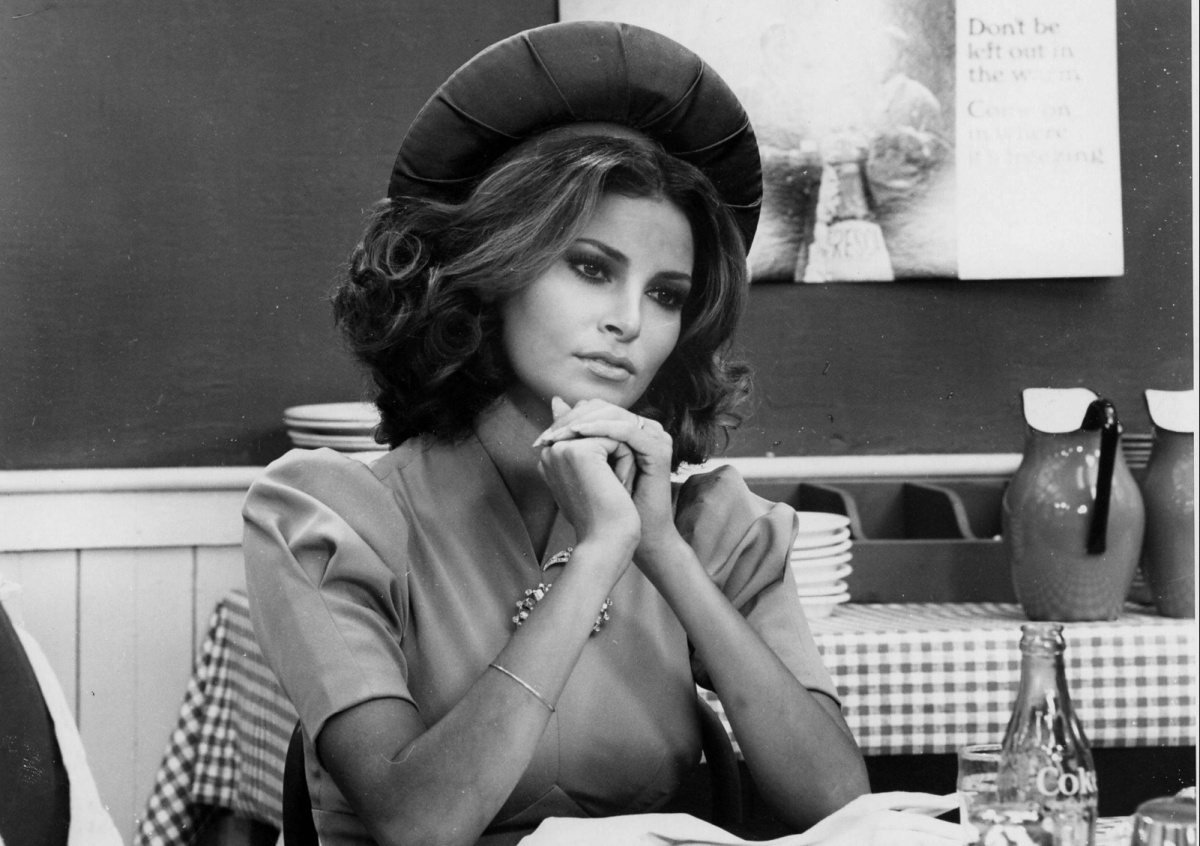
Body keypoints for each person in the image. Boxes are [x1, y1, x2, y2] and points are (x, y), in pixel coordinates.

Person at [243, 21, 964, 846]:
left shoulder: (710, 523)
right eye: (591, 268)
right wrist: (596, 555)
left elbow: (834, 801)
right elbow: (419, 823)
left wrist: (661, 549)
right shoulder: (328, 515)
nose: (630, 322)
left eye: (666, 295)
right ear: (495, 269)